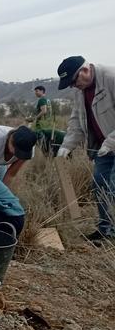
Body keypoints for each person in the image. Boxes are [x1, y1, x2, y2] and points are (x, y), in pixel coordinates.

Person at [55, 56, 115, 243]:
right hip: (102, 148)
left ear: (85, 70)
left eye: (74, 81)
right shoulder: (80, 90)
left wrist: (110, 143)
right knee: (100, 184)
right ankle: (107, 230)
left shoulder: (111, 77)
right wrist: (66, 146)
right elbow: (76, 121)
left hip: (109, 144)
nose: (73, 86)